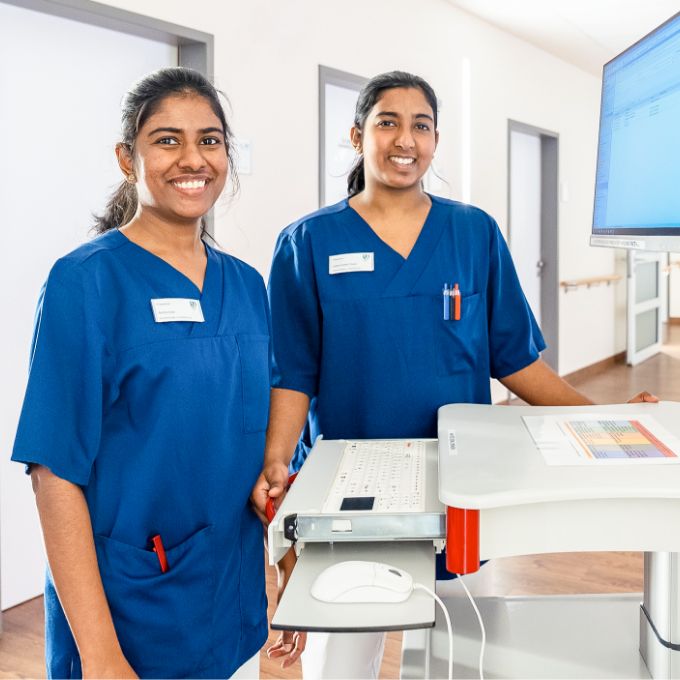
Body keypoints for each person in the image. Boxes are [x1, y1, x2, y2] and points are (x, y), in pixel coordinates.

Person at [251, 70, 657, 678]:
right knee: (347, 645)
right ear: (358, 133)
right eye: (387, 121)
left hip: (458, 477)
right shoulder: (307, 242)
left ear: (436, 140)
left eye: (421, 125)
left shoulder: (474, 233)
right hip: (352, 483)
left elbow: (514, 359)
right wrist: (277, 462)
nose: (404, 139)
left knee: (465, 643)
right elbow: (292, 372)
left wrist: (605, 416)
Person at [11, 67, 270, 679]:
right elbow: (54, 474)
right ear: (128, 158)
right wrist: (101, 656)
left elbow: (242, 443)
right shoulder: (86, 282)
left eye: (209, 140)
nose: (193, 158)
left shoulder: (247, 286)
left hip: (226, 599)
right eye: (167, 139)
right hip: (130, 611)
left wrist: (278, 578)